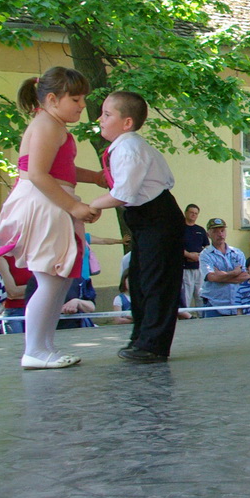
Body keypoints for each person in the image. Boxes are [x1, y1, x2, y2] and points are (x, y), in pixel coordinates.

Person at [0, 67, 101, 369]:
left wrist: (95, 177)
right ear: (52, 99)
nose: (81, 105)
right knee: (50, 281)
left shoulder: (52, 125)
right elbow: (38, 174)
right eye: (75, 99)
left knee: (59, 281)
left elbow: (58, 169)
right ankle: (35, 349)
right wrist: (73, 206)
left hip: (52, 201)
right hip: (46, 204)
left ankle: (44, 345)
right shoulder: (47, 125)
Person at [89, 90, 186, 363]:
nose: (100, 119)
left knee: (156, 282)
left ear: (127, 122)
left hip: (158, 218)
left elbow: (124, 193)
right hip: (145, 219)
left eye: (107, 114)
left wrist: (93, 205)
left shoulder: (130, 148)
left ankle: (153, 344)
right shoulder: (124, 147)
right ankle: (142, 337)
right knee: (141, 280)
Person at [200, 217, 247, 317]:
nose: (220, 234)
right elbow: (212, 277)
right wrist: (234, 273)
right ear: (208, 235)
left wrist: (221, 276)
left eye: (222, 230)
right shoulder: (205, 255)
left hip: (236, 304)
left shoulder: (237, 253)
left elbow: (246, 276)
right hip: (214, 305)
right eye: (215, 231)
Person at [181, 203, 209, 310]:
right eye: (191, 212)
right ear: (186, 213)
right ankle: (186, 316)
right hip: (185, 268)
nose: (193, 215)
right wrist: (189, 255)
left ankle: (202, 317)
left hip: (199, 268)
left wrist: (200, 256)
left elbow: (207, 247)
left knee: (200, 295)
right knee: (186, 296)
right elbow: (174, 246)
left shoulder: (200, 230)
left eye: (196, 213)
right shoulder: (178, 229)